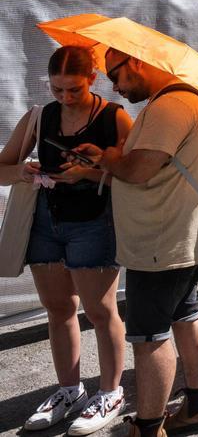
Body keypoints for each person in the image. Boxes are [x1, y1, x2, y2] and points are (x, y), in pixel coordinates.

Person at [71, 48, 198, 437]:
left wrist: (109, 157)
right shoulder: (182, 99)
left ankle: (149, 426)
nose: (114, 86)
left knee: (149, 337)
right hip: (180, 237)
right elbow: (156, 165)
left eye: (116, 74)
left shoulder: (170, 106)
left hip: (161, 244)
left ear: (137, 62)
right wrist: (106, 163)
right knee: (186, 315)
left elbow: (139, 169)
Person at [0, 47, 131, 436]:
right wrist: (23, 172)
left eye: (73, 89)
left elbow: (134, 175)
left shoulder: (113, 117)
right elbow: (2, 169)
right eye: (57, 90)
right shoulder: (41, 116)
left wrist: (88, 175)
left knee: (101, 311)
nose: (65, 98)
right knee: (58, 309)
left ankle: (110, 392)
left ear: (93, 78)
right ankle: (69, 390)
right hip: (46, 222)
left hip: (94, 223)